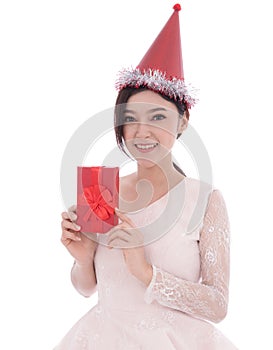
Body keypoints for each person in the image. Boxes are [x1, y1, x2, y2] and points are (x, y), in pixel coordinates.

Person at [55, 4, 238, 349]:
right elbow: (87, 287)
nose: (142, 132)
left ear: (182, 122)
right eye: (131, 118)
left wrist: (145, 271)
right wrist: (82, 259)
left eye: (157, 118)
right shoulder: (102, 191)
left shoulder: (204, 200)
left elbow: (218, 305)